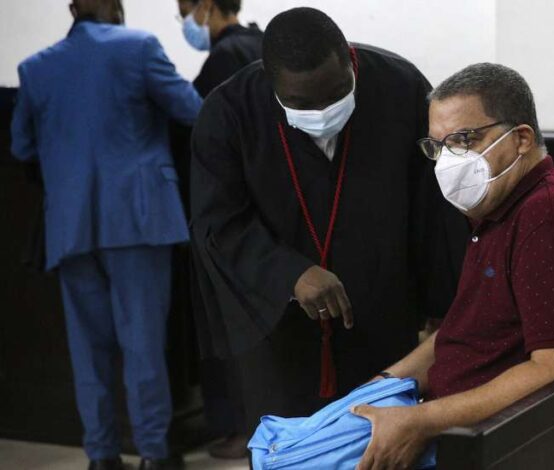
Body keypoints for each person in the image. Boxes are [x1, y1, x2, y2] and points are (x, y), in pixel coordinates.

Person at [189, 6, 467, 438]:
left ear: (349, 60)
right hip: (281, 328)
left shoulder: (401, 87)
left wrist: (442, 305)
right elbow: (217, 223)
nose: (322, 111)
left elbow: (433, 208)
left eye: (337, 93)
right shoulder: (228, 111)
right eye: (302, 103)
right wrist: (290, 273)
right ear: (271, 83)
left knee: (380, 443)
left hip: (383, 313)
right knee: (293, 448)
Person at [351, 63, 554, 470]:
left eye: (463, 140)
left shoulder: (548, 216)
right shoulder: (499, 208)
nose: (448, 160)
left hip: (505, 443)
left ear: (521, 139)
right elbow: (464, 330)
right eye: (438, 146)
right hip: (463, 430)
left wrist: (422, 421)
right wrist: (381, 385)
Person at [10, 1, 202, 469]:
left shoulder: (35, 67)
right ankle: (154, 453)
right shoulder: (139, 46)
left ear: (72, 8)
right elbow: (192, 109)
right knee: (143, 345)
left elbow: (21, 146)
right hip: (139, 220)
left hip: (70, 226)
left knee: (88, 353)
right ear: (115, 7)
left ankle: (101, 456)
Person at [170, 0, 264, 459]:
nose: (184, 21)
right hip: (268, 210)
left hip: (228, 214)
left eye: (184, 9)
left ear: (205, 6)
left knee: (225, 326)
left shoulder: (224, 59)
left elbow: (201, 136)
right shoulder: (262, 45)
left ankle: (239, 427)